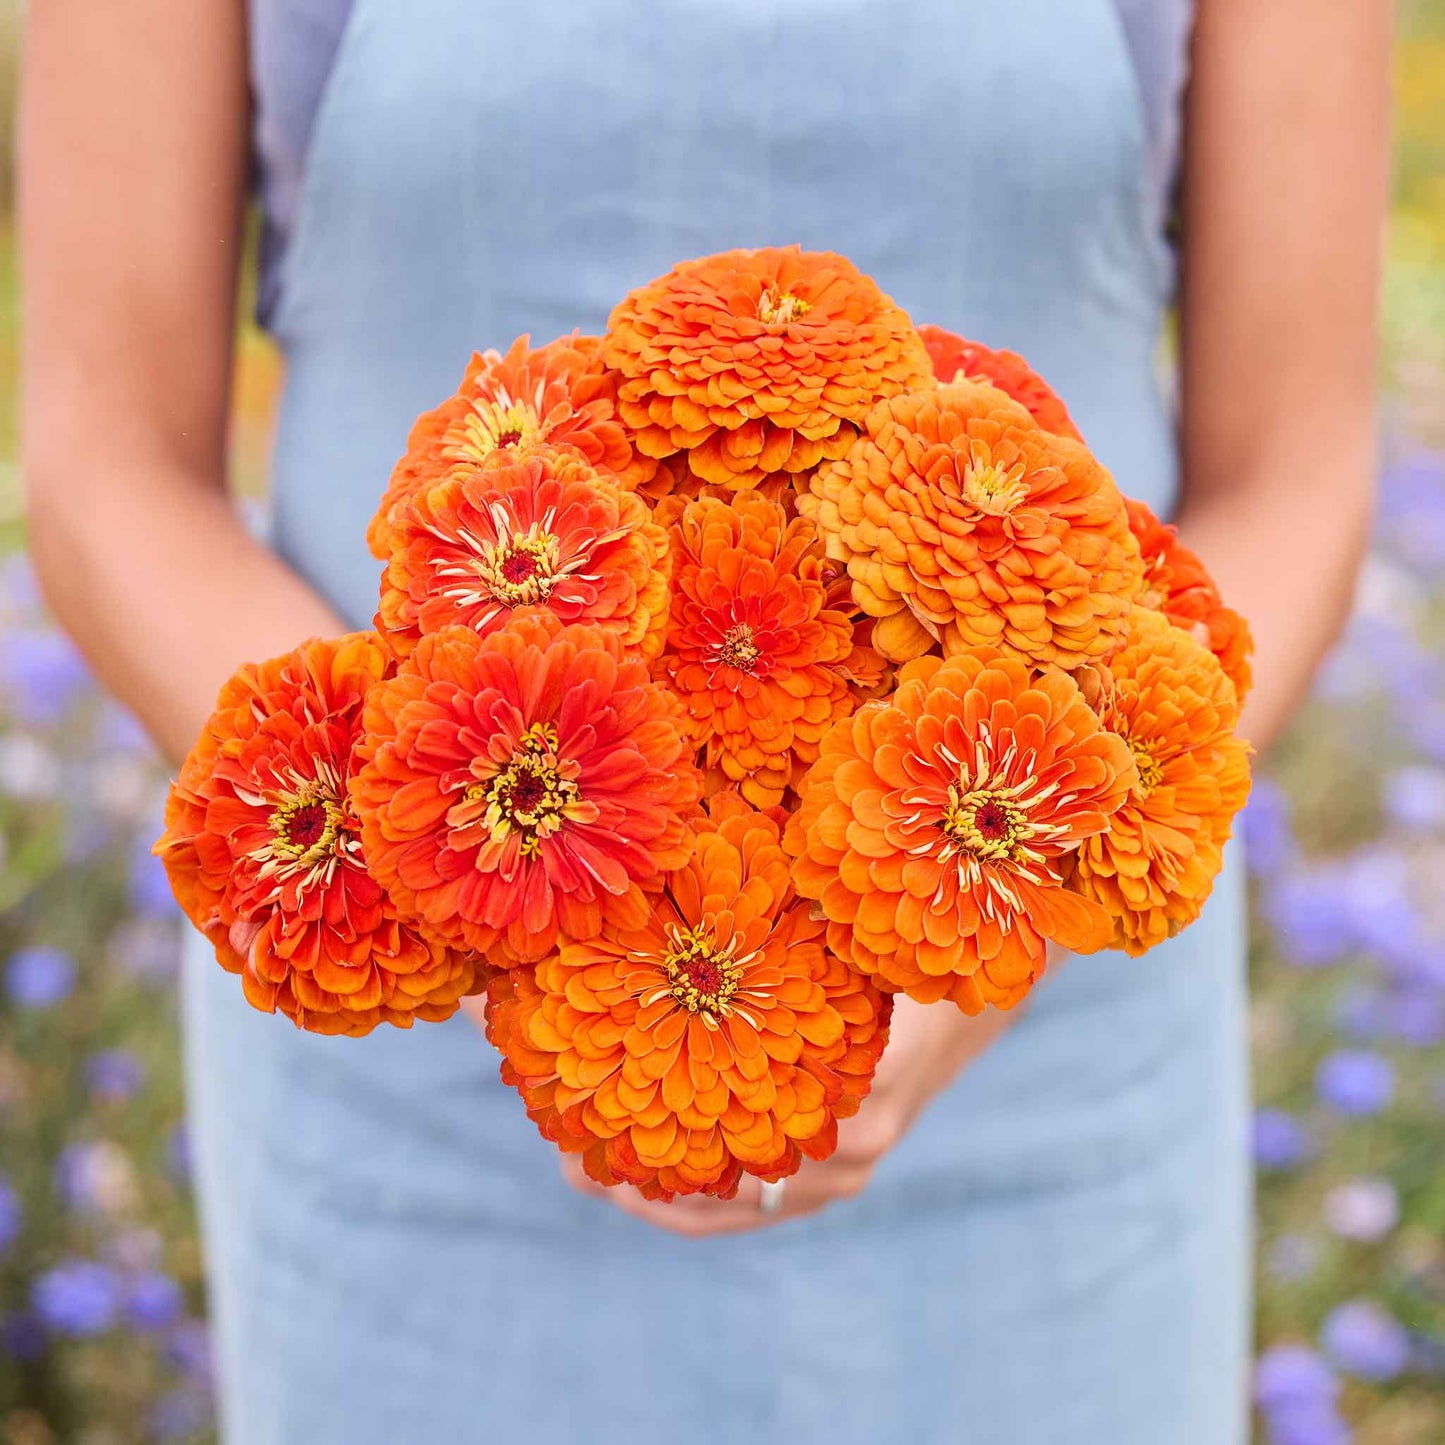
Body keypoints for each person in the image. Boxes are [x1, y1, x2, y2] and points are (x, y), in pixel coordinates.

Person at [20, 2, 1390, 1440]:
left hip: (1046, 1067)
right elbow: (108, 465)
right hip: (425, 1091)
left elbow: (1292, 472)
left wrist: (992, 926)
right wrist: (455, 861)